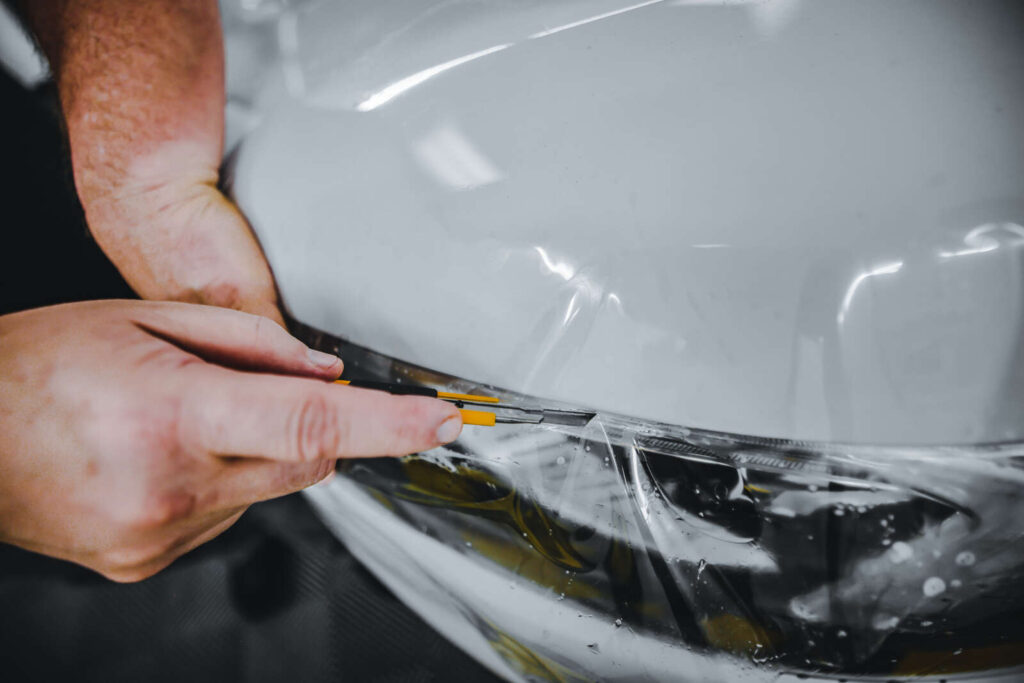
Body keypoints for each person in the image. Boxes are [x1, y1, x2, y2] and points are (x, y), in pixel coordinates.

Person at [0, 0, 463, 582]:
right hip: (37, 476)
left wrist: (142, 180)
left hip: (46, 193)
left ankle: (310, 530)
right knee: (122, 497)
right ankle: (265, 541)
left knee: (240, 433)